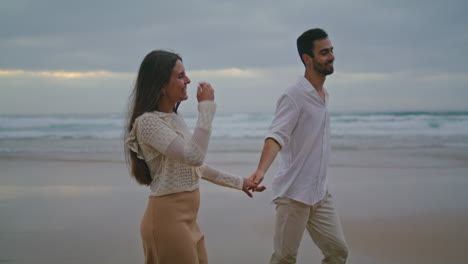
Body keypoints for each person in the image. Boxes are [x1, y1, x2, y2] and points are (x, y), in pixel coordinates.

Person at [124, 50, 265, 264]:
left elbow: (193, 167)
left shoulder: (174, 118)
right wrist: (206, 108)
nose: (188, 80)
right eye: (180, 76)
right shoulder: (148, 123)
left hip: (188, 220)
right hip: (166, 221)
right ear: (161, 84)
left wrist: (239, 182)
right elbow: (194, 157)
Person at [249, 28, 349, 263]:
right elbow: (276, 135)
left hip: (320, 194)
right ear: (307, 59)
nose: (331, 56)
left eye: (331, 50)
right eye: (324, 53)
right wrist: (261, 169)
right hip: (294, 194)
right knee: (285, 258)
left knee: (338, 252)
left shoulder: (323, 94)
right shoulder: (293, 95)